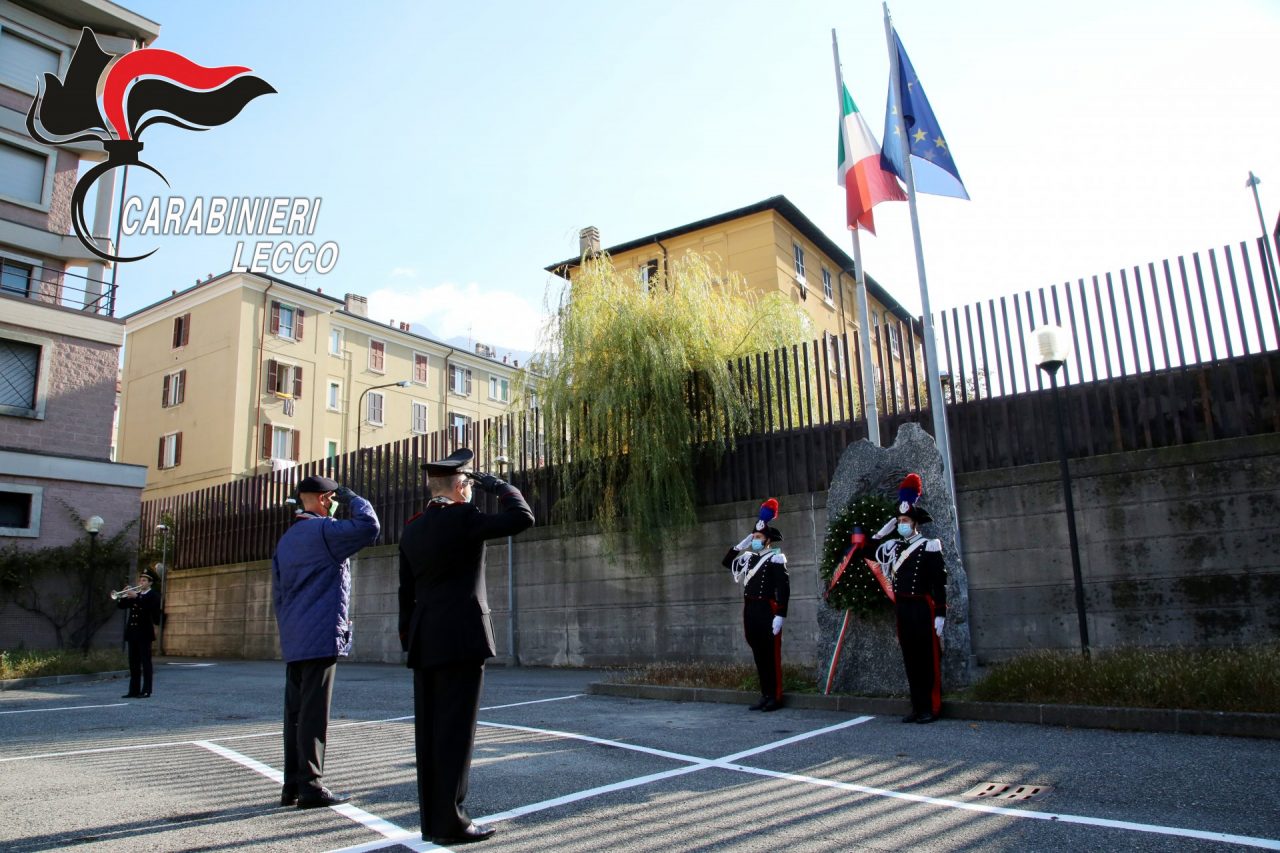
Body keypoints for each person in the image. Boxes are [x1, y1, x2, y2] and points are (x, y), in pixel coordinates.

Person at [399, 448, 534, 846]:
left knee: (430, 733)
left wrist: (409, 636)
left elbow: (405, 590)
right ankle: (453, 822)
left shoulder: (413, 526)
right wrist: (499, 485)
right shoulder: (464, 517)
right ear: (461, 487)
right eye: (469, 485)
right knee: (456, 734)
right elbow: (523, 517)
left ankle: (433, 821)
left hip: (426, 639)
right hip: (462, 638)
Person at [271, 474, 379, 809]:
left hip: (295, 636)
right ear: (323, 499)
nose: (334, 504)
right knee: (315, 716)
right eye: (332, 499)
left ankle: (292, 785)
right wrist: (355, 499)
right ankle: (312, 787)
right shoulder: (324, 531)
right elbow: (368, 527)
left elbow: (278, 591)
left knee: (296, 715)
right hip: (320, 637)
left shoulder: (287, 539)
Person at [866, 473, 947, 724]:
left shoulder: (929, 546)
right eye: (899, 520)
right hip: (903, 607)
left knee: (926, 658)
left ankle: (930, 708)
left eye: (905, 520)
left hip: (922, 606)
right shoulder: (894, 547)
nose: (901, 523)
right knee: (910, 657)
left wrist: (941, 612)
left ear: (915, 523)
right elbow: (868, 551)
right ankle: (916, 705)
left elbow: (938, 582)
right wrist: (882, 532)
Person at [722, 498, 790, 712]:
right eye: (754, 537)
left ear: (768, 540)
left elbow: (783, 588)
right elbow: (726, 562)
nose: (755, 540)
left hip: (767, 610)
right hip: (751, 610)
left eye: (759, 537)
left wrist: (781, 614)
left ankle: (776, 697)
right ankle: (765, 694)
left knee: (771, 654)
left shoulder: (776, 559)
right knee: (759, 654)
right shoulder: (749, 558)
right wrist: (740, 545)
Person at [117, 568, 161, 698]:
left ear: (150, 583)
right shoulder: (136, 594)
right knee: (133, 662)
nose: (141, 582)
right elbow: (121, 606)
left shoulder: (153, 595)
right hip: (133, 633)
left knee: (145, 662)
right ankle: (133, 690)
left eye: (144, 580)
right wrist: (122, 594)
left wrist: (136, 597)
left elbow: (149, 609)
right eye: (140, 580)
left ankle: (146, 690)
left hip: (144, 633)